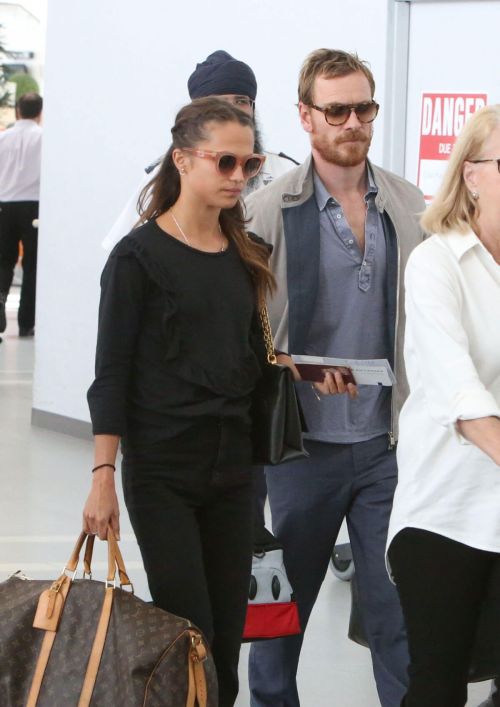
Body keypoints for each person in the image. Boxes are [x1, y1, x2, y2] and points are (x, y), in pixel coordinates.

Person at [244, 49, 426, 707]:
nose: (353, 122)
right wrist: (295, 367)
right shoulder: (267, 213)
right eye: (337, 110)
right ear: (306, 116)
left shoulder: (407, 205)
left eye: (364, 108)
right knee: (278, 616)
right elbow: (238, 336)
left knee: (397, 612)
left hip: (387, 446)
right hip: (298, 451)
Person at [83, 97, 277, 707]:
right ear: (182, 160)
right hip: (163, 471)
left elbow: (246, 355)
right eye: (224, 162)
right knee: (186, 629)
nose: (238, 177)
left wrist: (293, 369)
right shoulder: (138, 258)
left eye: (250, 164)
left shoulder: (243, 253)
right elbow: (110, 372)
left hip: (233, 472)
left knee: (226, 638)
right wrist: (102, 475)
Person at [386, 104, 500, 706]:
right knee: (438, 686)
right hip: (446, 512)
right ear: (472, 174)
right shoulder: (436, 264)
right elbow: (459, 390)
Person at [102, 50, 298, 252]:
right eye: (219, 103)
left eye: (241, 101)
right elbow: (123, 251)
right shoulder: (163, 175)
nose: (234, 111)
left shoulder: (287, 172)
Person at [0, 92, 42, 338]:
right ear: (39, 112)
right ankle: (26, 321)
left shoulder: (4, 138)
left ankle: (0, 305)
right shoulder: (42, 138)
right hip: (33, 207)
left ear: (18, 111)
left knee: (3, 261)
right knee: (31, 265)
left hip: (4, 205)